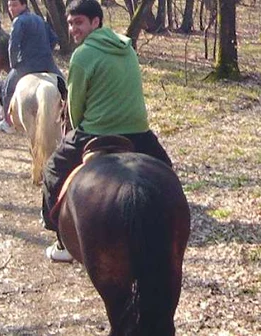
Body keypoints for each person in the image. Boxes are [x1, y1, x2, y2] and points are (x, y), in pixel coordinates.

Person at [41, 0, 173, 262]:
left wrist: (79, 126)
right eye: (70, 23)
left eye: (78, 22)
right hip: (138, 132)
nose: (73, 29)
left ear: (95, 22)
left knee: (53, 170)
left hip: (96, 133)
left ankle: (60, 238)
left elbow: (75, 110)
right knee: (167, 171)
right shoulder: (127, 47)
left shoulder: (82, 55)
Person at [0, 0, 64, 133]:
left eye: (15, 5)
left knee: (7, 88)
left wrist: (14, 65)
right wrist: (45, 51)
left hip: (27, 65)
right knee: (64, 85)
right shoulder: (39, 18)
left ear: (24, 5)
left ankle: (8, 123)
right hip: (47, 63)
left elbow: (13, 46)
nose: (11, 9)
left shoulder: (18, 21)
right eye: (9, 6)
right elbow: (54, 39)